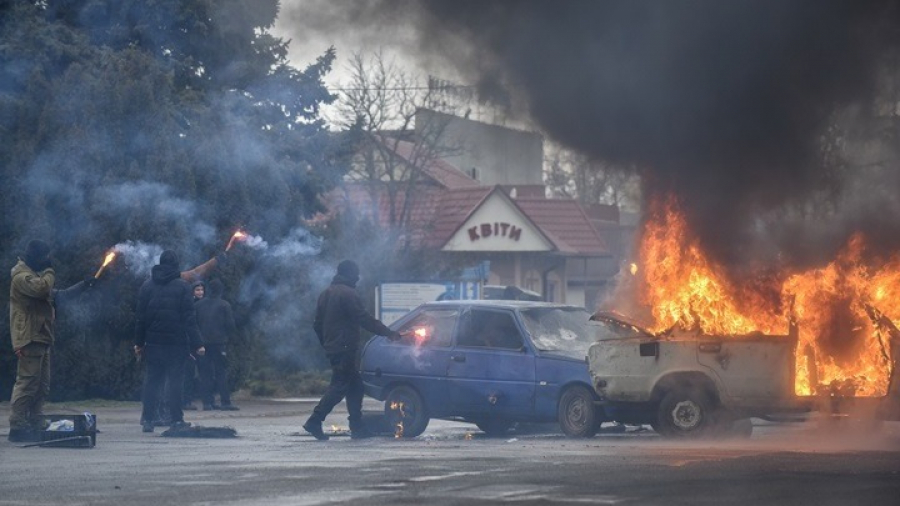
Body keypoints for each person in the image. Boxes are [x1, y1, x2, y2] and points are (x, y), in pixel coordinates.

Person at [303, 260, 400, 440]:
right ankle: (315, 420)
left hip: (335, 347)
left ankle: (357, 426)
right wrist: (388, 333)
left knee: (356, 386)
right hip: (345, 347)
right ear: (349, 274)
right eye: (356, 274)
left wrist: (327, 343)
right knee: (340, 385)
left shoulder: (326, 293)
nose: (358, 277)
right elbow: (364, 319)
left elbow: (317, 324)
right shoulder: (348, 294)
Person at [8, 240, 94, 442]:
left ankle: (35, 422)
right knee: (28, 383)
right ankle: (18, 426)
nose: (48, 260)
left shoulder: (36, 278)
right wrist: (50, 272)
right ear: (36, 257)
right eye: (45, 256)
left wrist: (84, 285)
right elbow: (41, 289)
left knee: (41, 385)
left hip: (42, 336)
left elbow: (58, 297)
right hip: (29, 337)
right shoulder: (22, 277)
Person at [134, 250, 205, 433]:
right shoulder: (182, 287)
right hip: (176, 344)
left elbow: (140, 319)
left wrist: (139, 343)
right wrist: (198, 344)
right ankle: (176, 420)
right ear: (175, 265)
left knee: (152, 382)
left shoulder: (146, 286)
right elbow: (190, 319)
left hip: (153, 343)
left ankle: (148, 420)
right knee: (175, 383)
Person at [196, 279, 238, 411]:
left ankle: (207, 402)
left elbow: (194, 324)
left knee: (205, 373)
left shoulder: (198, 305)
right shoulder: (224, 305)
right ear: (221, 290)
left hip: (202, 344)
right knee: (221, 372)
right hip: (219, 343)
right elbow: (230, 325)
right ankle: (225, 402)